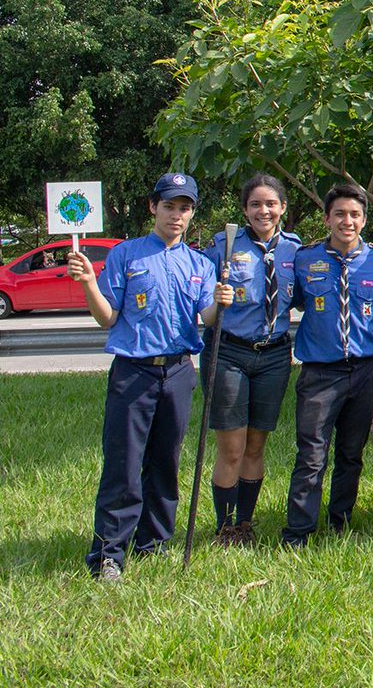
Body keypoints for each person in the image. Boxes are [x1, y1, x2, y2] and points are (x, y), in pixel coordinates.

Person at [68, 173, 232, 581]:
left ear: (192, 213)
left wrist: (218, 301)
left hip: (178, 372)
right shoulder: (127, 255)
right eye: (169, 206)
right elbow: (107, 318)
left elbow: (206, 318)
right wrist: (90, 283)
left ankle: (154, 543)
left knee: (165, 461)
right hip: (133, 372)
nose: (176, 215)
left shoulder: (198, 263)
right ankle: (109, 553)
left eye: (185, 208)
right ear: (152, 207)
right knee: (123, 463)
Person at [281, 184, 373, 546]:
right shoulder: (305, 259)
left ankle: (340, 522)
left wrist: (371, 329)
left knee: (351, 453)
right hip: (319, 372)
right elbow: (291, 301)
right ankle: (299, 530)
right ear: (328, 218)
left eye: (355, 215)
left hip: (364, 369)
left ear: (364, 220)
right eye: (340, 214)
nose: (348, 221)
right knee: (312, 454)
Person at [203, 173, 301, 546]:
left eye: (271, 203)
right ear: (245, 210)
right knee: (232, 447)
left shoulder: (295, 251)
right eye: (256, 204)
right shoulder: (224, 247)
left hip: (274, 354)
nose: (264, 210)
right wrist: (215, 297)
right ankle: (224, 526)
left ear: (282, 209)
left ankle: (244, 523)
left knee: (256, 445)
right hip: (229, 351)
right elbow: (204, 304)